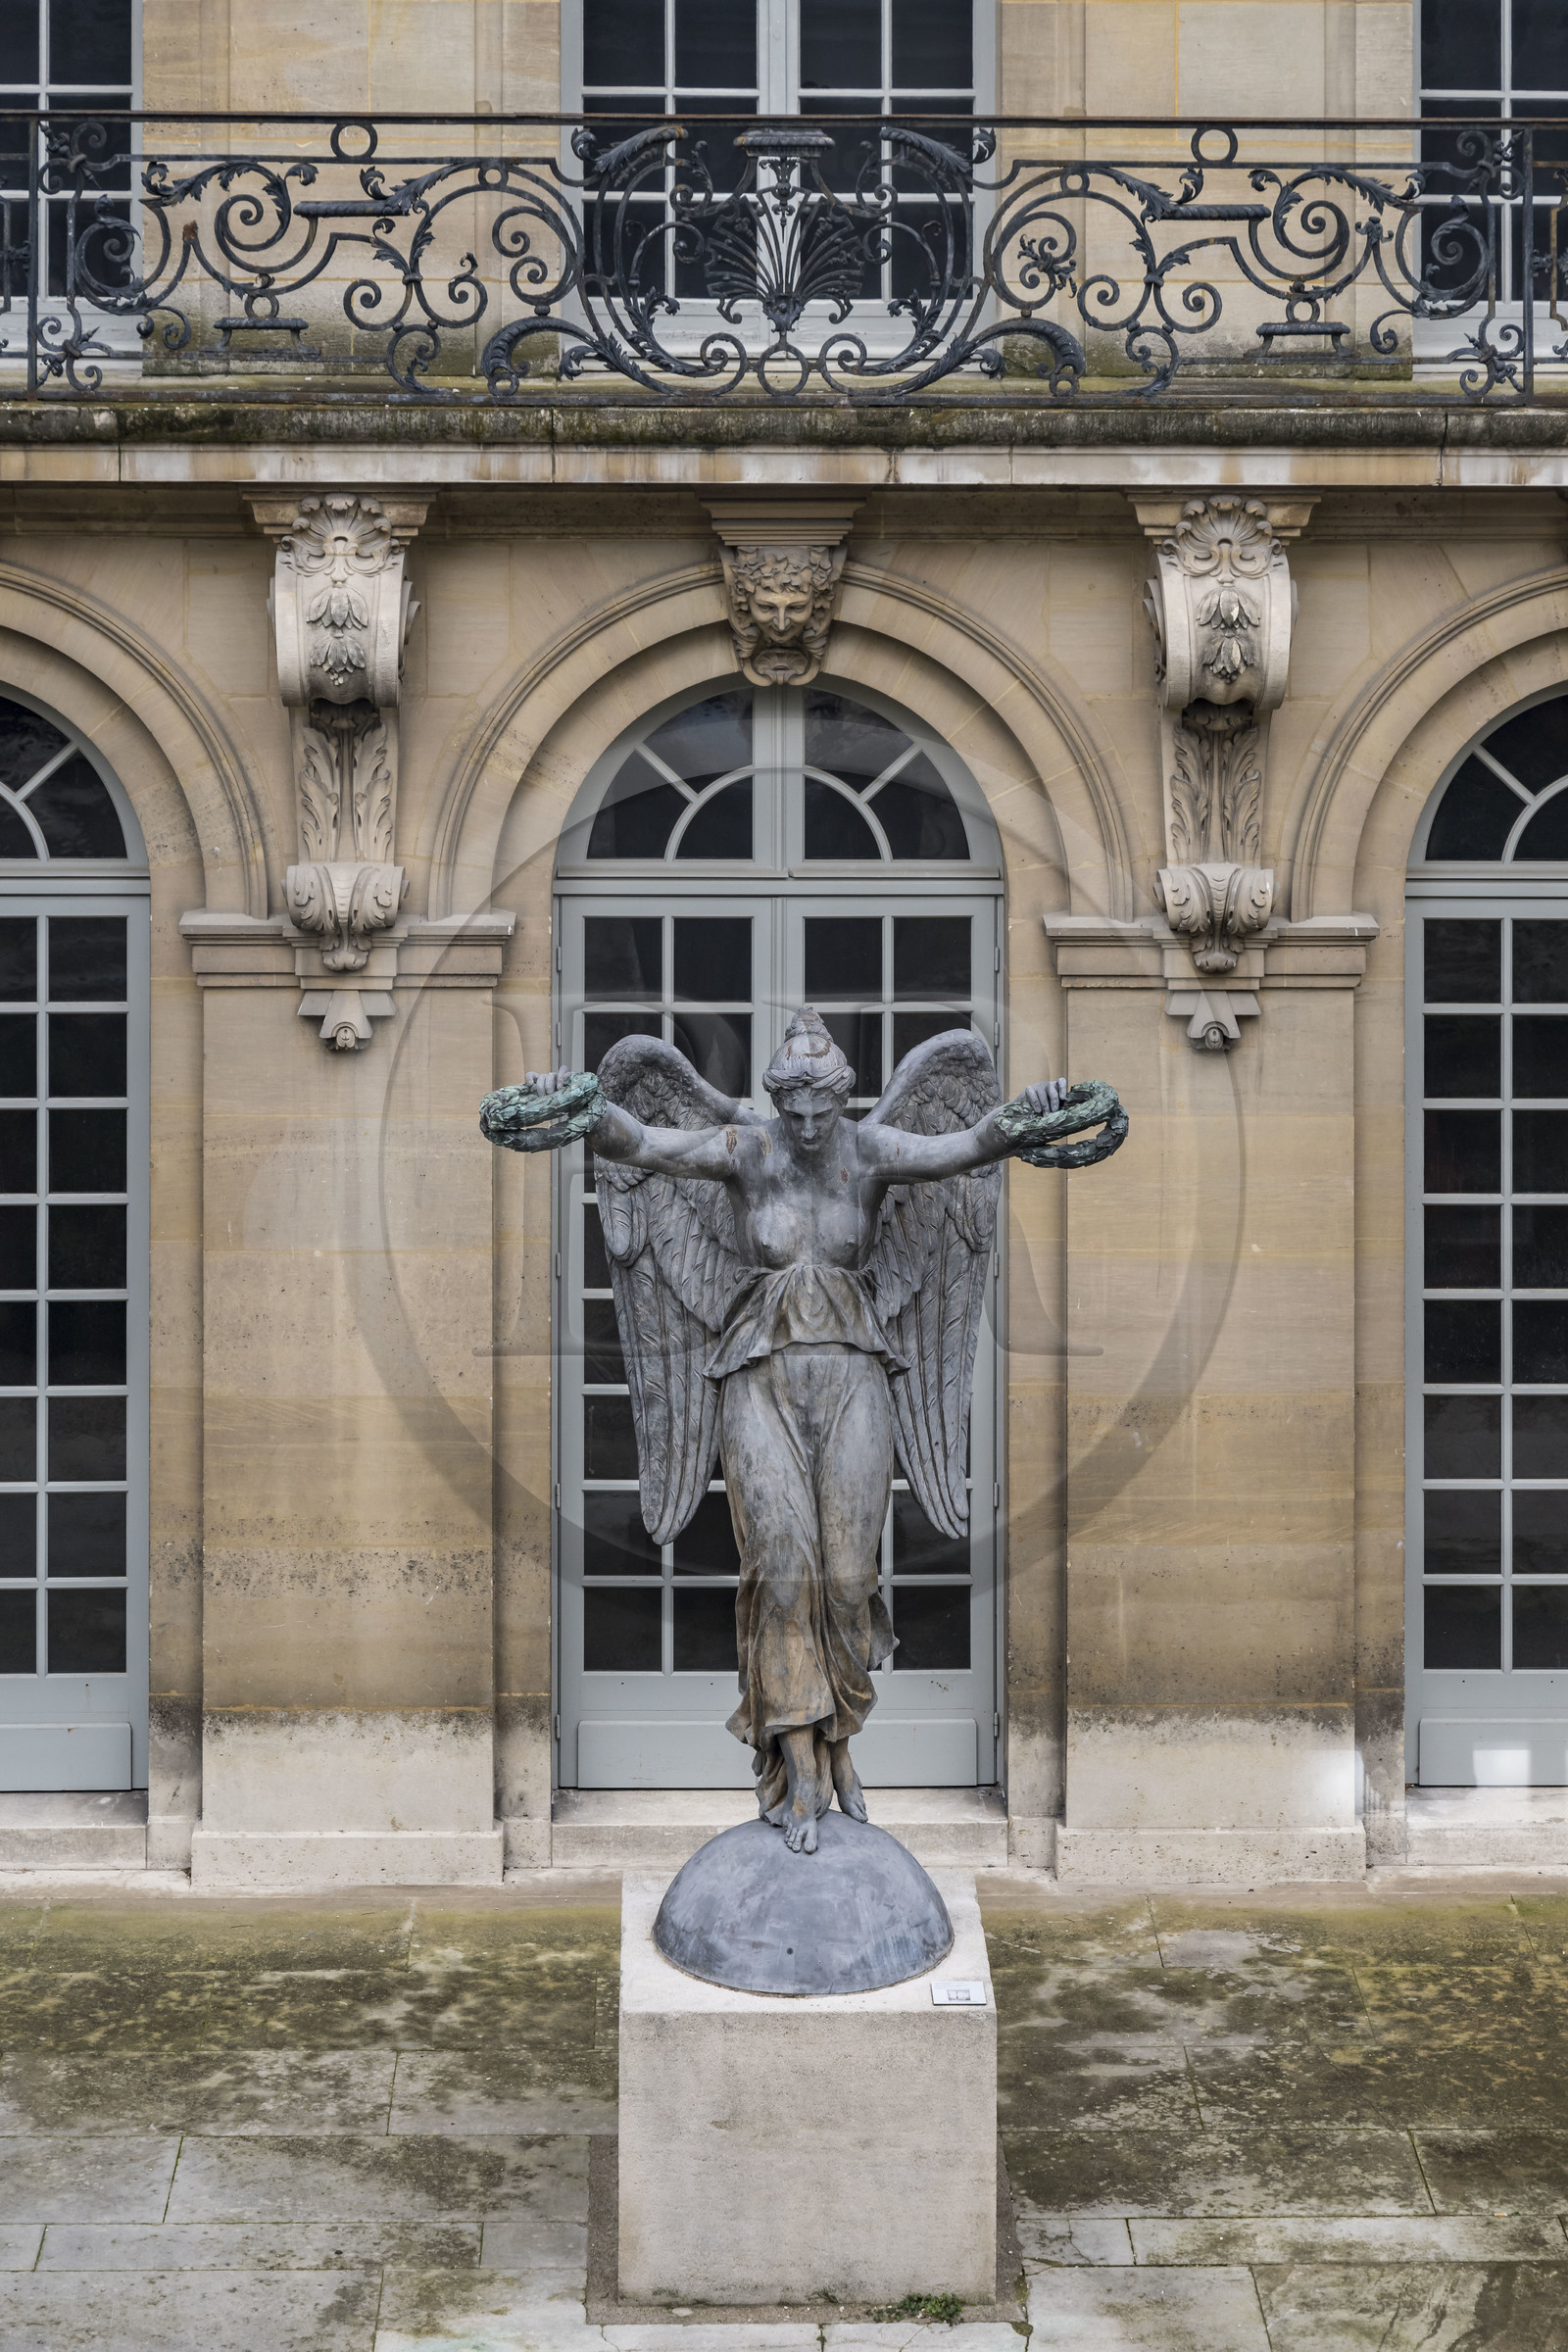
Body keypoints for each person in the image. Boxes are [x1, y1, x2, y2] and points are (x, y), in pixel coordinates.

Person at [527, 1010, 1070, 1854]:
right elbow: (642, 1146)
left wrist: (1031, 1112)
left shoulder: (871, 1151)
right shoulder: (751, 1150)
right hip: (758, 1379)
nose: (809, 1126)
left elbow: (967, 1148)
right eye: (794, 1109)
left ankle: (841, 1745)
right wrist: (580, 1108)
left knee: (848, 1577)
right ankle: (801, 1765)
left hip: (855, 1375)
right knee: (781, 1569)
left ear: (841, 1097)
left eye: (821, 1109)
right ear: (778, 1100)